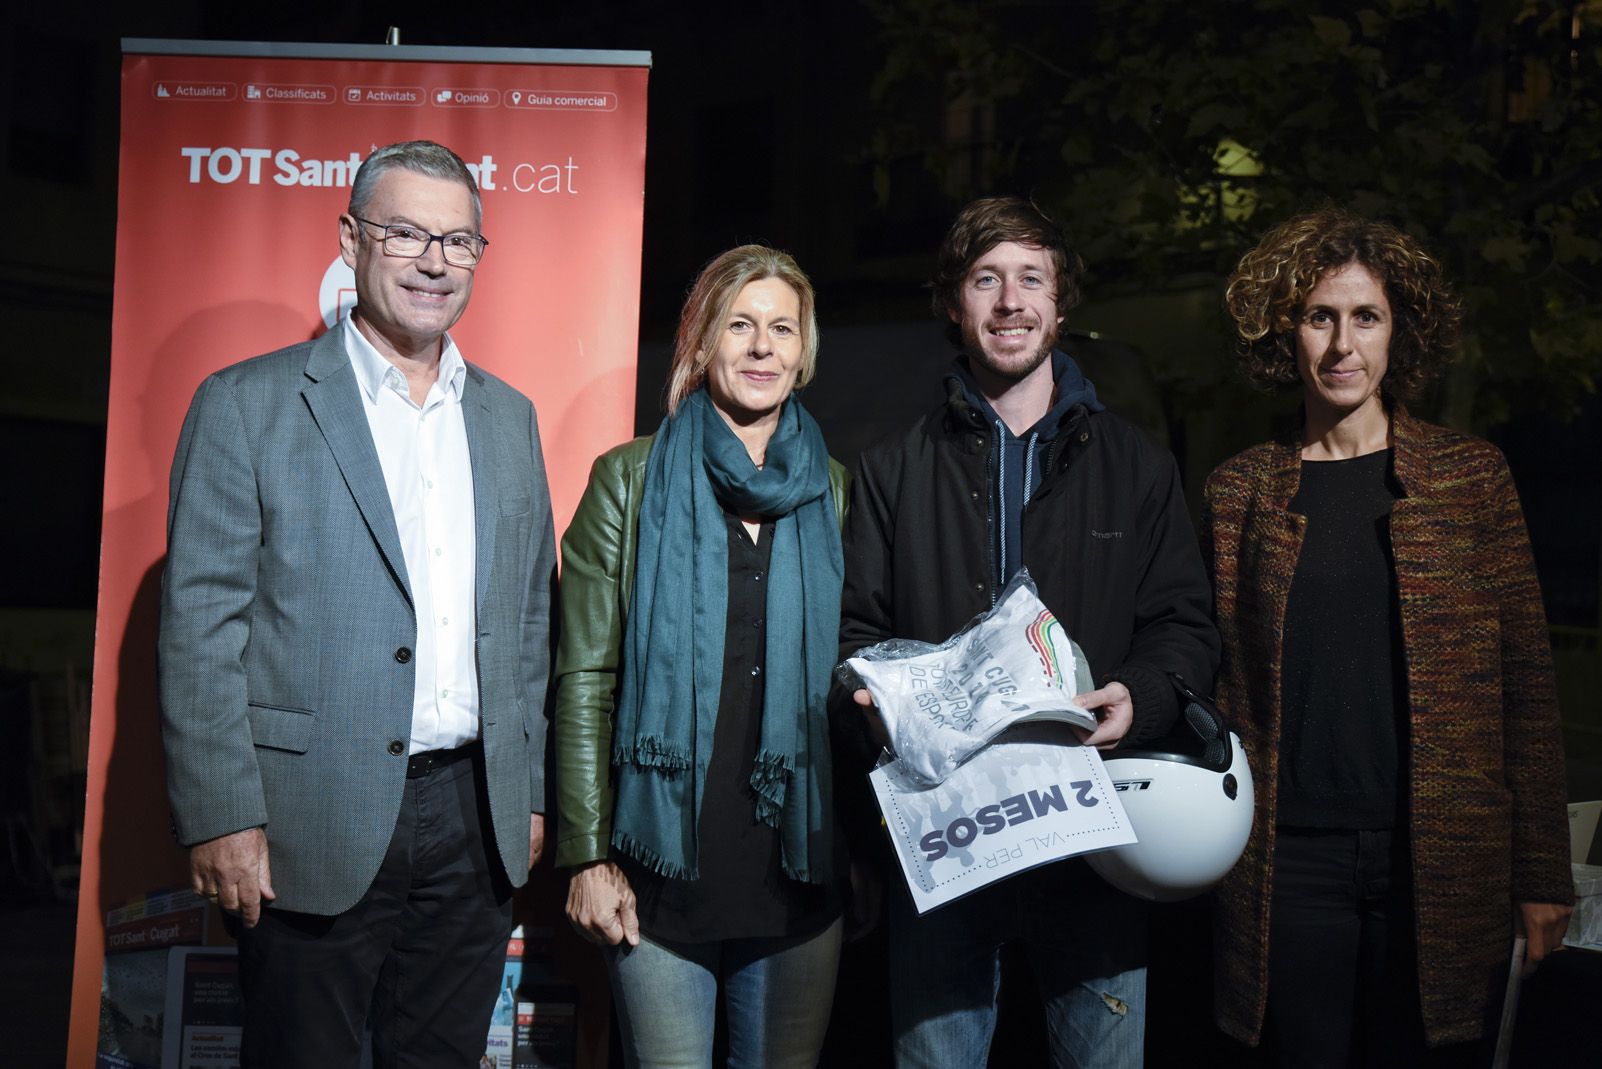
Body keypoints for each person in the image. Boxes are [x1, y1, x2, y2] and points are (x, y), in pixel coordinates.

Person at [158, 140, 557, 1068]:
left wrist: (530, 791)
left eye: (458, 242)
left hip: (475, 818)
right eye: (406, 233)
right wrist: (220, 813)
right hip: (309, 817)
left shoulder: (510, 416)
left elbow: (530, 621)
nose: (434, 262)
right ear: (350, 239)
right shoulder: (245, 404)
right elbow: (200, 627)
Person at [838, 195, 1219, 1068]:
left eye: (1031, 279)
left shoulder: (1137, 467)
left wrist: (1143, 695)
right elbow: (856, 634)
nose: (1010, 301)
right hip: (945, 834)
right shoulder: (893, 469)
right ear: (954, 302)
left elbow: (1184, 625)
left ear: (1061, 301)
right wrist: (874, 703)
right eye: (986, 279)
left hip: (1093, 837)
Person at [1205, 208, 1574, 1066]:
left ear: (1398, 329)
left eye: (1365, 316)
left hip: (1443, 860)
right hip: (1288, 863)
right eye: (1319, 316)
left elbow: (1526, 684)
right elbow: (1214, 679)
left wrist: (1543, 873)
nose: (1343, 344)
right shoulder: (1239, 492)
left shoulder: (1471, 478)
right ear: (1285, 332)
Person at [554, 245, 851, 1067]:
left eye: (782, 328)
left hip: (798, 869)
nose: (762, 347)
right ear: (701, 340)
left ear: (804, 348)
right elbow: (583, 680)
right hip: (657, 874)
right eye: (740, 325)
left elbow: (851, 682)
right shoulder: (628, 479)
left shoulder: (833, 487)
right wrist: (587, 853)